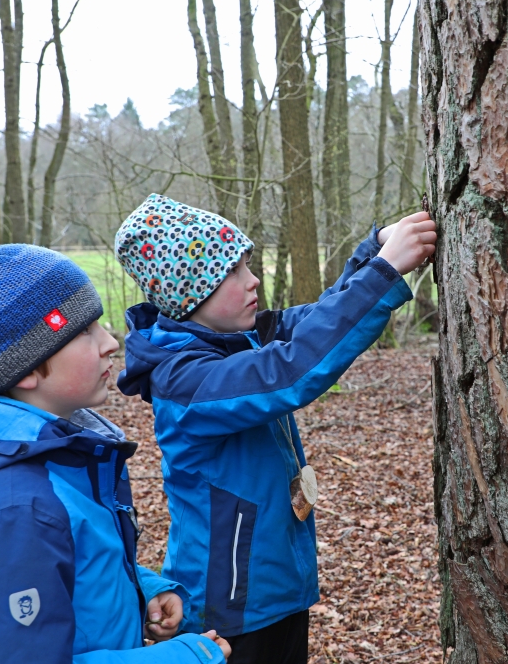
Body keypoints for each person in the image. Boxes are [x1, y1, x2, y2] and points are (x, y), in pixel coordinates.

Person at [114, 193, 437, 663]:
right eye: (233, 273)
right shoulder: (185, 380)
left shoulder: (235, 339)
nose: (254, 280)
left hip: (276, 587)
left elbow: (320, 319)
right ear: (190, 293)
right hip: (228, 606)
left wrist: (373, 254)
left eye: (247, 265)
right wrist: (384, 273)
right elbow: (289, 371)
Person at [0, 244, 232, 664]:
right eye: (84, 331)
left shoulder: (55, 455)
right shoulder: (12, 511)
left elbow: (64, 571)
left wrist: (141, 589)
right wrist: (184, 658)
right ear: (24, 368)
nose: (110, 343)